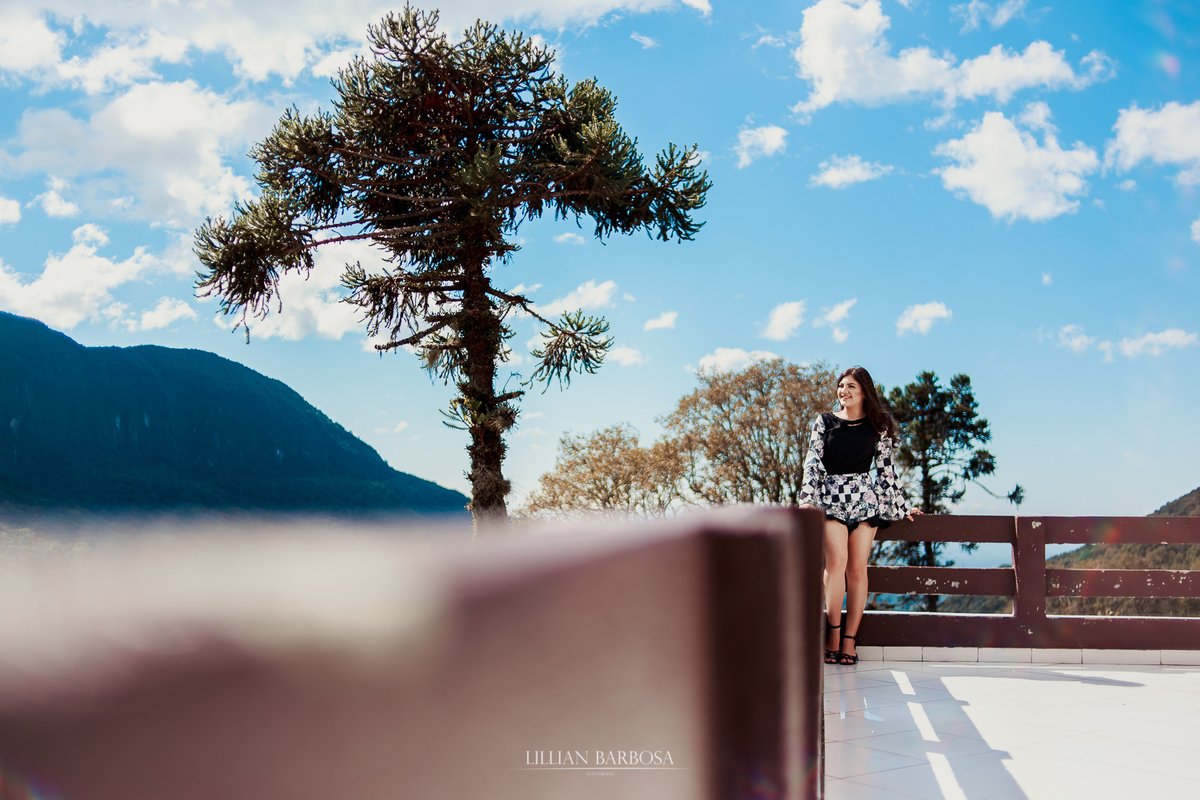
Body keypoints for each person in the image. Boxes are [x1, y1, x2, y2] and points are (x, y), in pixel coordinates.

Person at [799, 366, 918, 665]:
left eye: (851, 386)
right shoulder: (824, 422)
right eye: (841, 385)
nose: (844, 391)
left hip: (866, 503)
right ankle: (834, 632)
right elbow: (812, 463)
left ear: (864, 391)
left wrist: (902, 506)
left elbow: (886, 470)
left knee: (857, 569)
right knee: (836, 563)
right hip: (832, 501)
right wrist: (807, 500)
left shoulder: (878, 426)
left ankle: (850, 640)